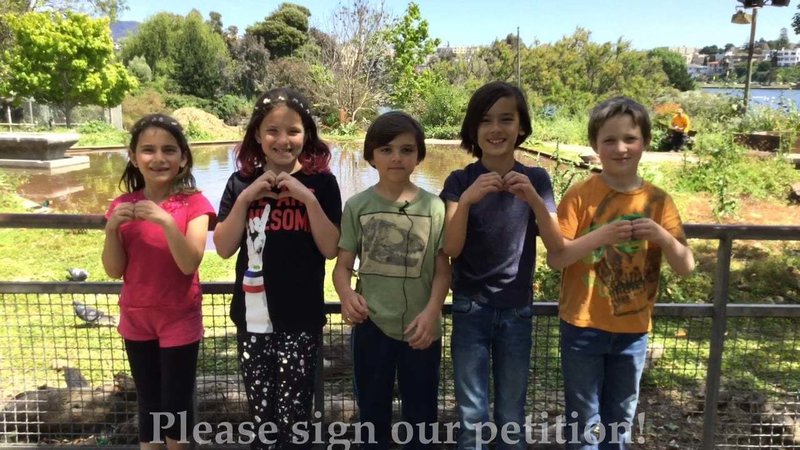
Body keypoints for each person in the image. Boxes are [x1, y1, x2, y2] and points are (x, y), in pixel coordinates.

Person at [547, 96, 695, 449]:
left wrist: (660, 235)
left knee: (621, 421)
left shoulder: (659, 201)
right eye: (609, 140)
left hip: (633, 332)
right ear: (594, 145)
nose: (620, 148)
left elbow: (686, 266)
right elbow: (557, 258)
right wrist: (601, 236)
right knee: (583, 421)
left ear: (645, 142)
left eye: (630, 138)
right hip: (582, 326)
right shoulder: (579, 196)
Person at [213, 87, 342, 449]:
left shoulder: (322, 184)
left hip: (300, 319)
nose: (283, 140)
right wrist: (246, 197)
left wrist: (306, 199)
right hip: (253, 318)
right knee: (261, 416)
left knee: (294, 416)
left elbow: (331, 248)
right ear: (257, 135)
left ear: (307, 135)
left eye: (293, 131)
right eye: (272, 130)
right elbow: (223, 247)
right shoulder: (240, 183)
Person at [440, 81, 564, 450]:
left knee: (511, 414)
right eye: (485, 120)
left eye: (506, 119)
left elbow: (556, 245)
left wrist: (534, 200)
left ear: (521, 126)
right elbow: (451, 247)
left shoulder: (536, 178)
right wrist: (467, 201)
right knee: (472, 416)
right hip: (470, 308)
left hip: (517, 309)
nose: (496, 129)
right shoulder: (459, 180)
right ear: (473, 129)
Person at [333, 111, 450, 449]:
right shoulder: (357, 206)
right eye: (386, 149)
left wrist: (432, 312)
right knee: (372, 412)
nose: (396, 157)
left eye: (406, 149)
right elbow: (342, 267)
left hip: (421, 327)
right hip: (372, 324)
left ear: (419, 155)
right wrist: (346, 294)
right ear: (371, 156)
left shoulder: (435, 207)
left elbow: (443, 270)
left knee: (422, 414)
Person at [102, 113, 216, 450]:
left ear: (183, 158)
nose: (158, 158)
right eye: (148, 150)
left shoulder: (195, 204)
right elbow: (113, 270)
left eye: (169, 149)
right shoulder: (122, 206)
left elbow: (189, 263)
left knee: (176, 402)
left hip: (179, 317)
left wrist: (165, 221)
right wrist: (111, 229)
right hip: (136, 318)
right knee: (149, 401)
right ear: (133, 157)